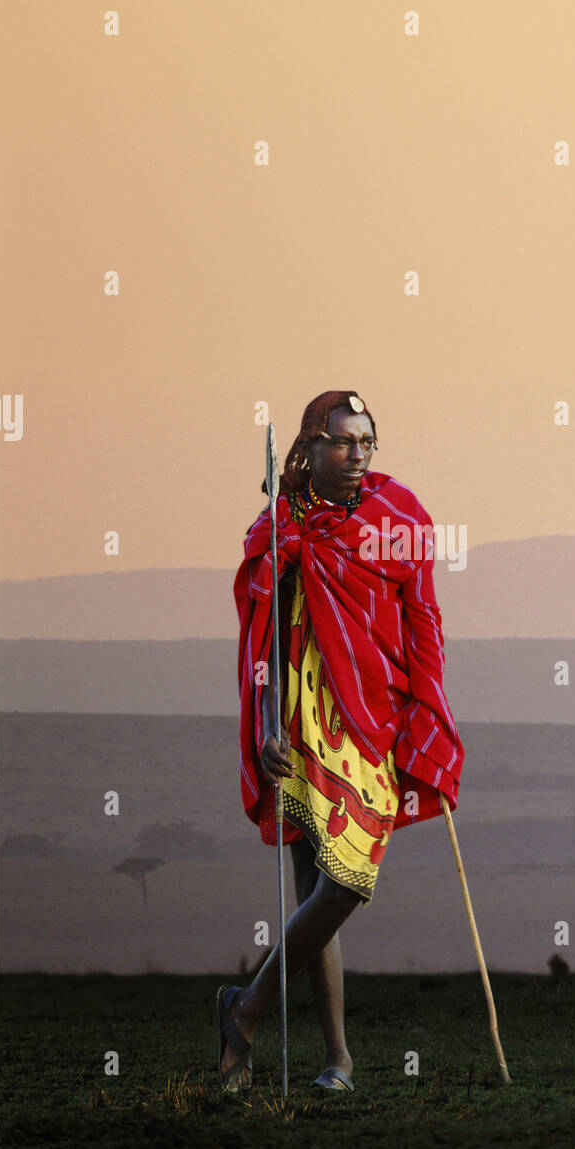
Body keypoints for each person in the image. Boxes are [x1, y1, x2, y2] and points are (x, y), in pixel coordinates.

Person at [219, 390, 464, 1093]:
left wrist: (430, 706)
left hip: (373, 717)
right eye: (342, 441)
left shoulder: (400, 517)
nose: (356, 454)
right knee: (312, 885)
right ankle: (338, 1061)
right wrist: (265, 723)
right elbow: (262, 635)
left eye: (367, 441)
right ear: (310, 445)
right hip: (299, 715)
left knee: (345, 882)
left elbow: (422, 619)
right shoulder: (281, 527)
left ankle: (244, 1010)